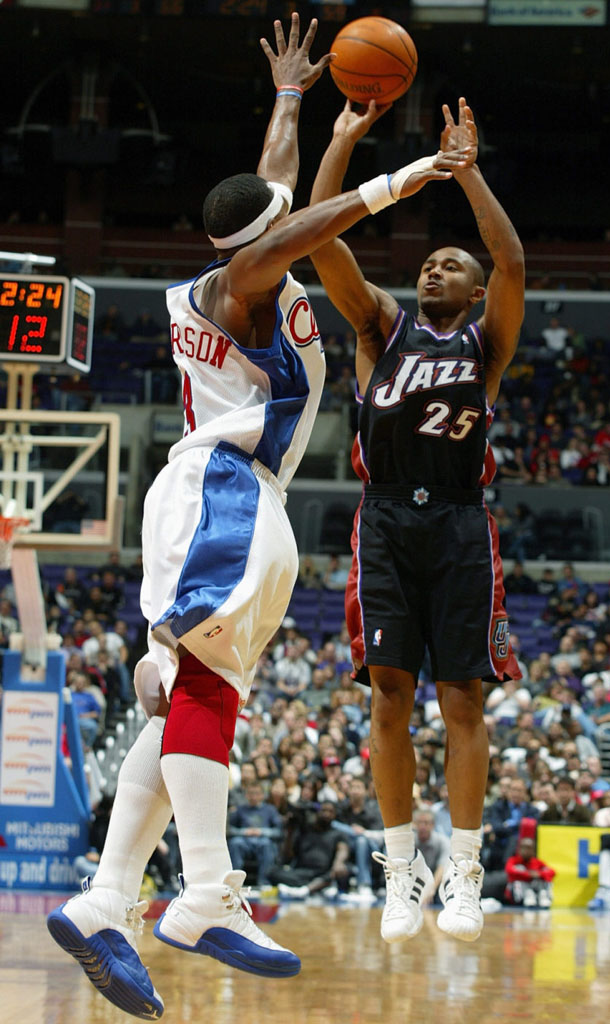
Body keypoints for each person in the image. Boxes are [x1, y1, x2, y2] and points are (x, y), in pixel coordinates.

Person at [47, 15, 472, 1016]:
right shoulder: (242, 282)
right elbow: (304, 222)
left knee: (193, 687)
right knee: (207, 692)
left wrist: (297, 103)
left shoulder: (246, 259)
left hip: (235, 494)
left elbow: (275, 193)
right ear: (260, 242)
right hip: (224, 487)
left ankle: (108, 896)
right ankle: (201, 892)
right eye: (279, 224)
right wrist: (406, 173)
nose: (291, 222)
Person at [309, 96, 524, 945]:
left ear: (472, 292)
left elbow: (510, 259)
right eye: (428, 263)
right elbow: (321, 236)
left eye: (449, 265)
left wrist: (466, 176)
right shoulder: (378, 329)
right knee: (389, 698)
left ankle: (463, 869)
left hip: (464, 525)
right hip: (387, 521)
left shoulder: (486, 346)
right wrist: (345, 140)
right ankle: (402, 869)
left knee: (461, 698)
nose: (434, 270)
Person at [505, 835, 555, 908]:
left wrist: (539, 874)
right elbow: (509, 871)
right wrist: (528, 874)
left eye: (528, 848)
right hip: (520, 893)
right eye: (523, 847)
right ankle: (527, 896)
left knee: (545, 876)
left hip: (535, 889)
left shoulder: (537, 862)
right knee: (520, 868)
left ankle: (543, 896)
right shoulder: (514, 860)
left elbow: (552, 872)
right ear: (519, 849)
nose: (525, 850)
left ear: (533, 850)